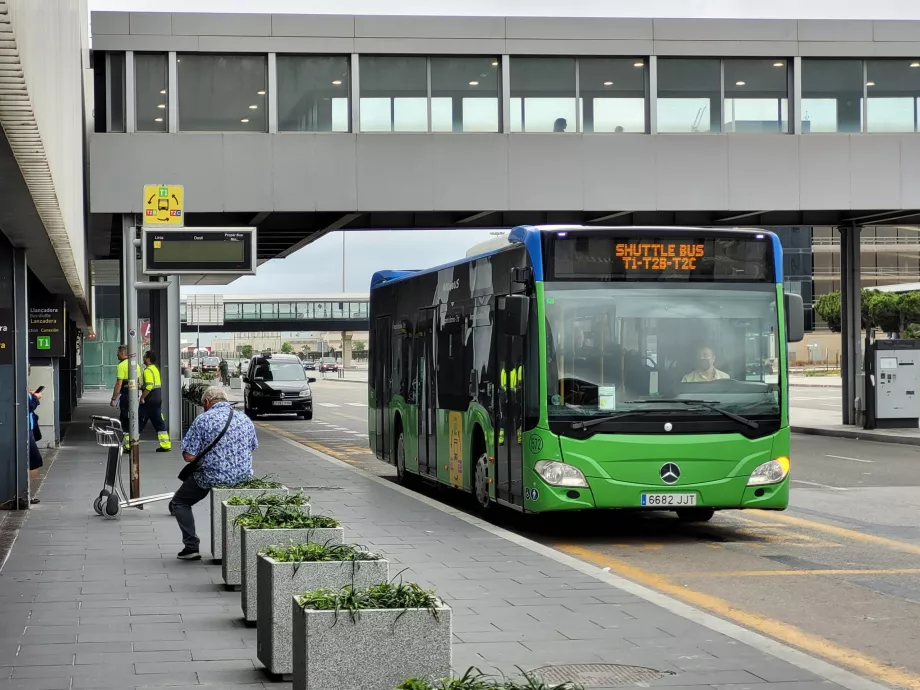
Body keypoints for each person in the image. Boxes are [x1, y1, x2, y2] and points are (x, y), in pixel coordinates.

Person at [172, 386, 257, 560]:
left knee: (180, 502)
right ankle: (237, 550)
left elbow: (189, 456)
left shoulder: (203, 419)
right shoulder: (245, 419)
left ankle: (191, 547)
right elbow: (253, 446)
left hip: (211, 476)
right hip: (243, 477)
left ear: (206, 402)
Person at [138, 350, 171, 453]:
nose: (143, 358)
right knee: (159, 422)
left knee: (139, 421)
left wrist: (142, 397)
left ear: (148, 359)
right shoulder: (155, 369)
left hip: (149, 401)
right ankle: (165, 445)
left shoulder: (147, 370)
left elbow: (149, 386)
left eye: (144, 357)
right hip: (157, 399)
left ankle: (131, 444)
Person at [110, 345, 130, 450]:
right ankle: (132, 442)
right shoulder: (136, 365)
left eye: (118, 352)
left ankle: (127, 444)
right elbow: (140, 381)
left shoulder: (121, 365)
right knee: (132, 418)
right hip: (134, 395)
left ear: (122, 353)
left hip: (125, 395)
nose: (116, 354)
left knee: (124, 418)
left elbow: (119, 384)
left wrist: (114, 398)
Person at [27, 368, 42, 505]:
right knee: (35, 462)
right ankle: (23, 493)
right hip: (25, 431)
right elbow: (28, 406)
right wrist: (35, 398)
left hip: (28, 429)